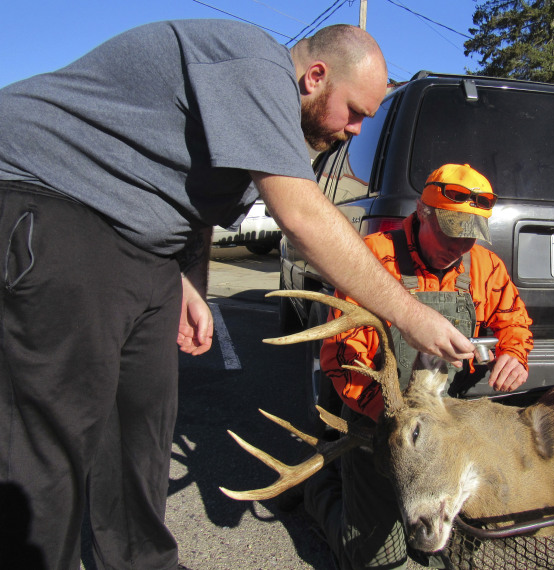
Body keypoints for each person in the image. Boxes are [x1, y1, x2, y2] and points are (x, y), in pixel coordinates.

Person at [0, 21, 476, 570]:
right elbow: (298, 213)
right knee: (54, 432)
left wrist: (191, 286)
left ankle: (139, 560)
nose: (356, 129)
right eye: (355, 111)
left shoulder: (258, 121)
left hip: (143, 247)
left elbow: (194, 203)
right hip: (57, 202)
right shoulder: (255, 66)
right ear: (314, 76)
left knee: (143, 422)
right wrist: (409, 313)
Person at [305, 163, 533, 569]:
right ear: (422, 212)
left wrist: (514, 353)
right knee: (377, 560)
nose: (458, 246)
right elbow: (341, 355)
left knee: (456, 549)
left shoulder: (484, 267)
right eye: (449, 232)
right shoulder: (372, 257)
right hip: (378, 419)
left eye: (469, 237)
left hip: (444, 425)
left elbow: (513, 319)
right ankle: (321, 491)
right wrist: (393, 422)